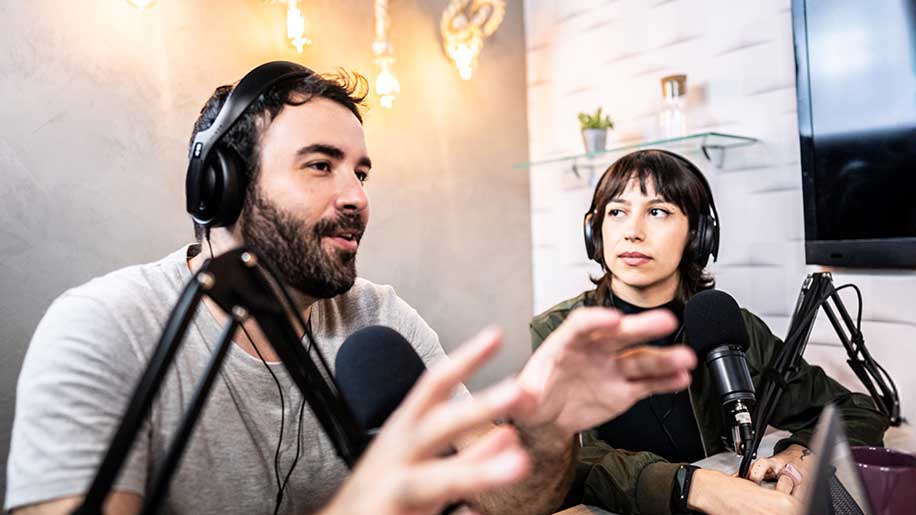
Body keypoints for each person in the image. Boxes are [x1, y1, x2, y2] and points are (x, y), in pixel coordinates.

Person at [6, 63, 697, 515]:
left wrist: (550, 427)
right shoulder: (104, 326)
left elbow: (515, 500)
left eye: (361, 172)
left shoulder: (378, 318)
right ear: (221, 183)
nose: (356, 196)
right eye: (320, 165)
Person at [530, 149, 890, 515]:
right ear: (595, 231)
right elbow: (557, 461)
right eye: (617, 212)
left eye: (658, 212)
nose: (633, 232)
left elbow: (855, 410)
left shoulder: (723, 323)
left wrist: (798, 455)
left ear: (697, 235)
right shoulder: (557, 332)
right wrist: (692, 486)